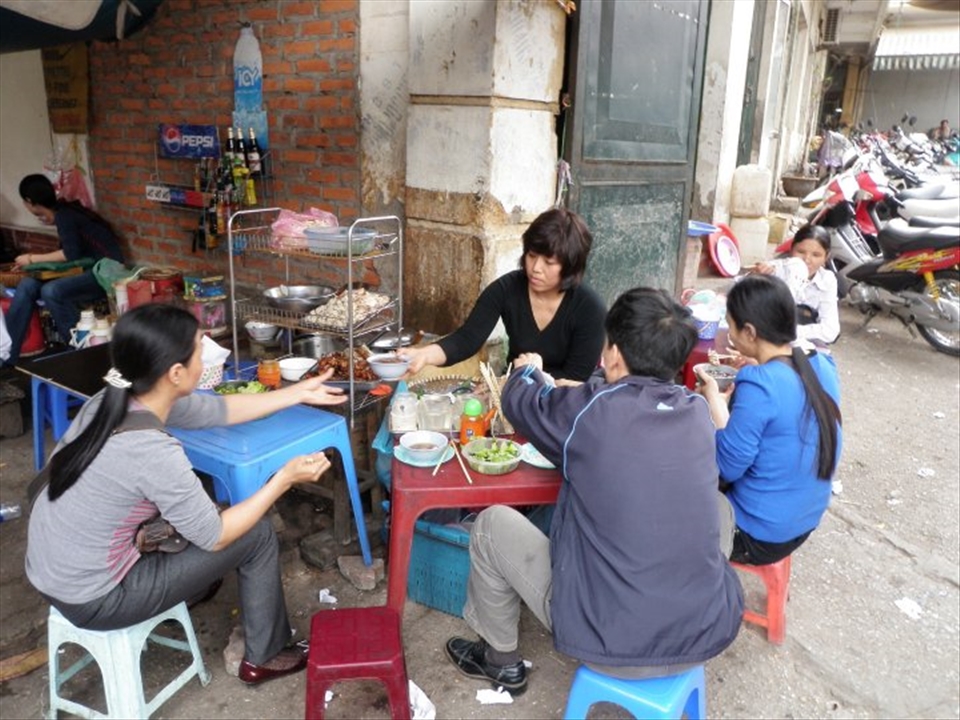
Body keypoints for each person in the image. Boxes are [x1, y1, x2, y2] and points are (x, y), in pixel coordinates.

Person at [25, 304, 348, 685]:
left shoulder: (114, 401)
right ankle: (267, 655)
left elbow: (219, 410)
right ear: (176, 373)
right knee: (256, 534)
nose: (207, 351)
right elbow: (216, 536)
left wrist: (297, 393)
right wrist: (282, 480)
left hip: (51, 570)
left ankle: (193, 586)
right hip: (96, 599)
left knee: (206, 505)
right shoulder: (150, 449)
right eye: (200, 347)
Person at [444, 288, 744, 694]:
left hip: (608, 641)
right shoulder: (696, 413)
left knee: (491, 524)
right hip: (706, 631)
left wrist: (528, 369)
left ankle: (501, 663)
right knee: (720, 507)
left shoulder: (591, 412)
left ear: (614, 352)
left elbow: (520, 400)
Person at [697, 275, 842, 566]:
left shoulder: (760, 384)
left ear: (749, 332)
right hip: (804, 522)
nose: (731, 336)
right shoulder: (822, 365)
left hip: (757, 535)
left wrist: (713, 398)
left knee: (669, 486)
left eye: (731, 325)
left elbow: (726, 467)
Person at [400, 207, 606, 382]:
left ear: (570, 266)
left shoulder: (589, 308)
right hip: (515, 390)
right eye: (532, 256)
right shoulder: (507, 289)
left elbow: (574, 379)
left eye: (549, 263)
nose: (535, 268)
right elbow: (467, 339)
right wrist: (424, 354)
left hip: (563, 401)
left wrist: (528, 377)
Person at [2, 174, 125, 366]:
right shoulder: (63, 213)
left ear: (29, 202)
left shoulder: (65, 215)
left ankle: (78, 349)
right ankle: (6, 356)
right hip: (86, 268)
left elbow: (70, 255)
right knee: (28, 284)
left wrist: (31, 258)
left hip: (106, 272)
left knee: (52, 291)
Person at [754, 224, 839, 346]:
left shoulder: (827, 281)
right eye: (801, 252)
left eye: (816, 255)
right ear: (791, 250)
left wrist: (788, 331)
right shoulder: (774, 269)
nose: (807, 260)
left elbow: (830, 330)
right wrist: (755, 278)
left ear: (826, 257)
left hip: (801, 344)